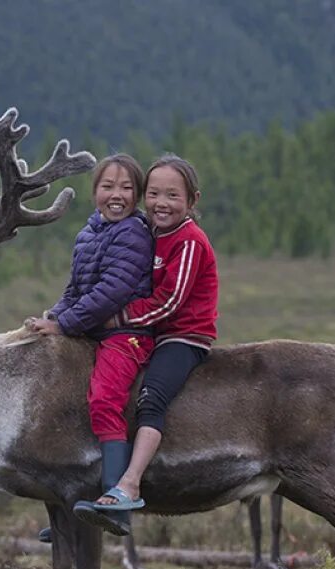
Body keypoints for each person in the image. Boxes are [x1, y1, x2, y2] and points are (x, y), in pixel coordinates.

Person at [73, 153, 218, 527]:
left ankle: (130, 485)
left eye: (172, 196)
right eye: (153, 194)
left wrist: (119, 318)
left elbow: (169, 303)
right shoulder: (151, 232)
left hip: (183, 336)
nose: (161, 203)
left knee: (150, 400)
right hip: (153, 332)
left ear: (192, 201)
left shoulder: (188, 241)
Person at [26, 153, 155, 538]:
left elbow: (111, 291)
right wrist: (53, 316)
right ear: (94, 191)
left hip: (126, 335)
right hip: (93, 331)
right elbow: (76, 288)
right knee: (65, 400)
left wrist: (65, 324)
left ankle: (116, 505)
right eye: (108, 186)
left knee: (104, 400)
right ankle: (74, 507)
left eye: (127, 188)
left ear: (138, 196)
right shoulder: (90, 232)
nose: (117, 195)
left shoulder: (133, 233)